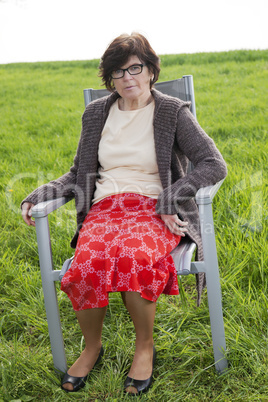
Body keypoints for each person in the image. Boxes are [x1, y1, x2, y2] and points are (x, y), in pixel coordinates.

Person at [21, 32, 227, 395]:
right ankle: (91, 346)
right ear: (109, 79)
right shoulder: (96, 113)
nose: (127, 78)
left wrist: (170, 198)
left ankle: (144, 347)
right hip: (105, 208)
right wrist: (40, 194)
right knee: (88, 262)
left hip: (153, 209)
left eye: (135, 68)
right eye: (118, 72)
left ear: (151, 70)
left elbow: (213, 163)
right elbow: (77, 173)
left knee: (135, 256)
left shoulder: (171, 112)